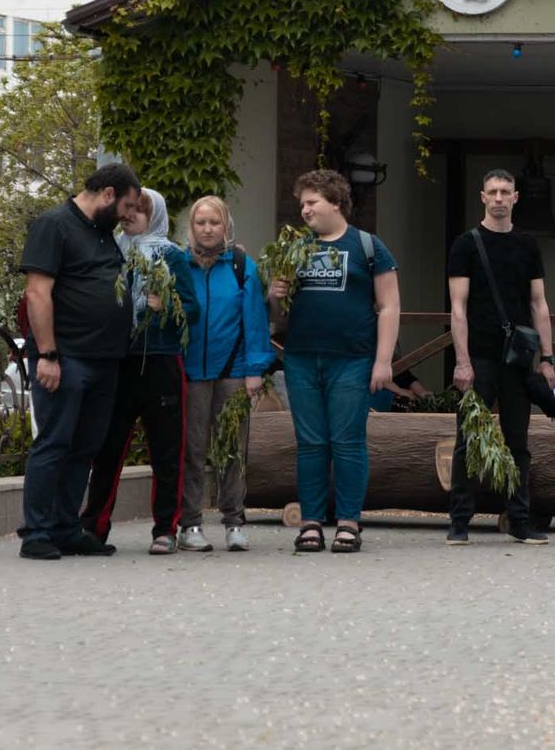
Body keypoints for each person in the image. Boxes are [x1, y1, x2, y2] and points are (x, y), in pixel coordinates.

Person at [16, 162, 143, 560]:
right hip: (66, 358)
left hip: (105, 360)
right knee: (54, 442)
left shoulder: (104, 234)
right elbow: (38, 294)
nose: (129, 215)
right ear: (108, 194)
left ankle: (66, 527)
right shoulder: (54, 225)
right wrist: (49, 354)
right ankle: (36, 532)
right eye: (127, 206)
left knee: (85, 446)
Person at [268, 170, 399, 554]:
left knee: (348, 442)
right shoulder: (296, 249)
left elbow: (390, 306)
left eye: (312, 202)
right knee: (309, 443)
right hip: (301, 357)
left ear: (336, 203)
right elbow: (279, 313)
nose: (305, 210)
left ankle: (348, 522)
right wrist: (275, 293)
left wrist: (384, 361)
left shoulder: (368, 246)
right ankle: (311, 522)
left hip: (353, 359)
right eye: (302, 204)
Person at [81, 189, 199, 555]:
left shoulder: (172, 256)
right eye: (127, 209)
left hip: (161, 359)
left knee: (167, 448)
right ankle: (94, 527)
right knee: (108, 446)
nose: (131, 216)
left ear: (156, 216)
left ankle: (165, 528)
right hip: (119, 360)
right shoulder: (110, 251)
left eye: (140, 211)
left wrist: (165, 306)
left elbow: (192, 310)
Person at [445, 169, 555, 546]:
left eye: (505, 192)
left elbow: (539, 303)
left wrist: (548, 358)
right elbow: (457, 309)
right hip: (478, 355)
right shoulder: (465, 244)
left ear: (515, 198)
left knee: (517, 441)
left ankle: (518, 519)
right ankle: (460, 521)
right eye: (492, 191)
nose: (498, 198)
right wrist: (462, 361)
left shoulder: (527, 244)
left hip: (518, 358)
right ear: (482, 197)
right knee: (468, 438)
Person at [175, 195, 272, 552]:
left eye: (214, 222)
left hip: (232, 369)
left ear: (226, 226)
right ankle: (190, 524)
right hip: (191, 372)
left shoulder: (242, 265)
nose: (207, 229)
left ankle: (234, 522)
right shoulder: (179, 263)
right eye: (200, 222)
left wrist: (254, 370)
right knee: (193, 449)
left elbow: (255, 320)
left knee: (232, 448)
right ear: (192, 227)